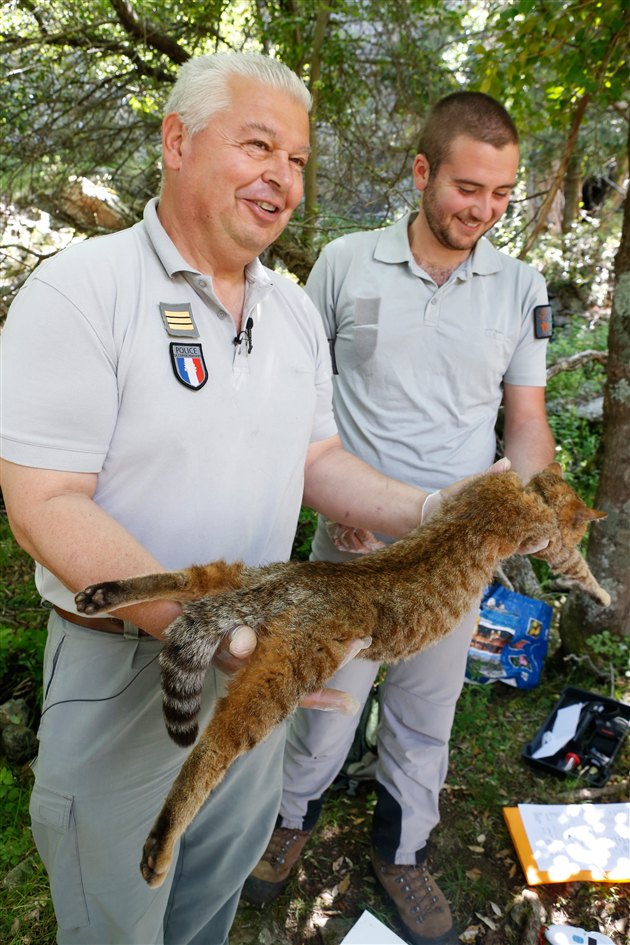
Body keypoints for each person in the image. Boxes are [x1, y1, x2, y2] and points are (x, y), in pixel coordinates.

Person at [0, 55, 493, 945]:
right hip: (124, 677)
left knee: (207, 903)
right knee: (116, 918)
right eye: (258, 145)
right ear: (177, 141)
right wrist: (218, 632)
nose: (283, 178)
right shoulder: (84, 291)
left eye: (298, 160)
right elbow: (44, 501)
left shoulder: (292, 312)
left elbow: (319, 459)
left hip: (259, 663)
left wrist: (440, 515)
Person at [243, 92, 556, 945]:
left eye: (501, 195)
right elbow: (295, 403)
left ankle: (405, 847)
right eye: (468, 188)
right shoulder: (344, 264)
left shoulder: (520, 286)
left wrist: (519, 497)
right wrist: (326, 496)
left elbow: (525, 420)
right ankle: (288, 816)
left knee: (428, 707)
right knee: (323, 697)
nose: (484, 211)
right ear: (421, 171)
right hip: (349, 538)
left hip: (451, 556)